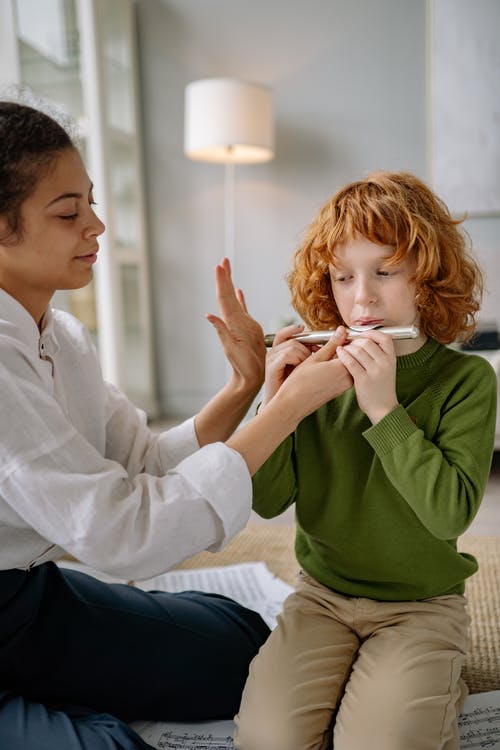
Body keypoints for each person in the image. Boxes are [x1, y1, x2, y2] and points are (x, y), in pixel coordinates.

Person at [0, 100, 353, 750]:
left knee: (248, 649)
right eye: (69, 213)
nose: (97, 226)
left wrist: (246, 388)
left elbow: (140, 463)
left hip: (28, 600)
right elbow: (122, 533)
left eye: (92, 203)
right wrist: (287, 408)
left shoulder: (65, 337)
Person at [234, 171, 498, 750]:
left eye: (385, 271)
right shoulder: (315, 375)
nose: (362, 298)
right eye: (343, 276)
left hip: (421, 606)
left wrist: (384, 410)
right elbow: (268, 498)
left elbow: (448, 515)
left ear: (427, 278)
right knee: (264, 741)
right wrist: (275, 405)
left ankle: (435, 680)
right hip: (321, 596)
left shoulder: (467, 380)